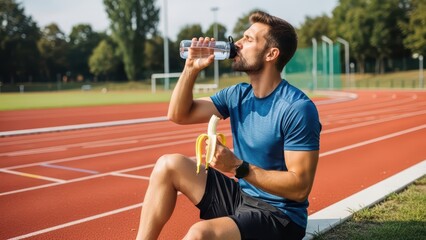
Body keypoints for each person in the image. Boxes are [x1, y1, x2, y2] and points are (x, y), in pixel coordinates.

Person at [136, 10, 321, 240]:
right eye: (242, 37)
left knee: (200, 233)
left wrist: (237, 166)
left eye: (249, 39)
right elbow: (178, 114)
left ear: (271, 54)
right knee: (167, 165)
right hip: (242, 196)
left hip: (280, 216)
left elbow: (300, 187)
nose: (238, 44)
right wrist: (191, 69)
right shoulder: (238, 94)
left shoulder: (297, 108)